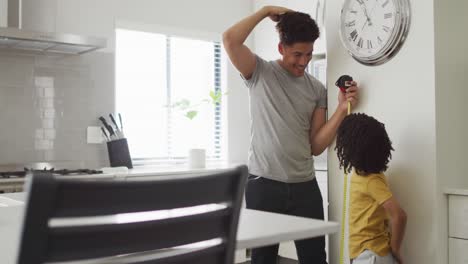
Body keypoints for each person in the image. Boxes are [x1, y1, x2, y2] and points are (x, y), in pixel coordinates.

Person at [223, 6, 358, 264]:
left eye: (308, 54)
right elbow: (230, 40)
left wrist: (341, 109)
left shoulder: (316, 89)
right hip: (263, 184)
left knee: (315, 258)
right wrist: (264, 12)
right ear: (281, 48)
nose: (304, 61)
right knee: (263, 258)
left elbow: (316, 146)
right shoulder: (259, 72)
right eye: (297, 54)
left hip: (304, 187)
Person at [335, 113, 407, 264]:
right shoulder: (362, 175)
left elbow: (399, 215)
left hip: (371, 256)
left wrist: (395, 249)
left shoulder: (371, 181)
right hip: (368, 254)